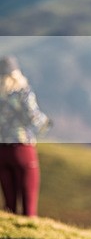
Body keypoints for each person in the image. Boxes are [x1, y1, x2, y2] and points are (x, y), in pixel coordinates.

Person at [0, 55, 51, 217]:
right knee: (29, 207)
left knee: (9, 207)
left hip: (1, 151)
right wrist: (46, 123)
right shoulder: (22, 92)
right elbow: (33, 118)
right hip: (22, 148)